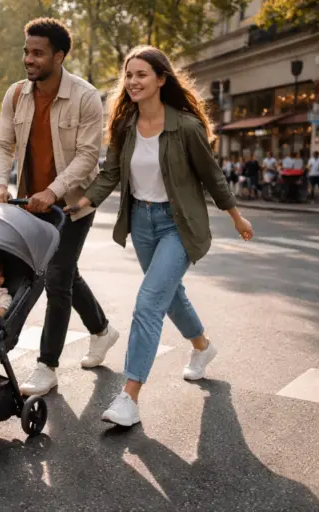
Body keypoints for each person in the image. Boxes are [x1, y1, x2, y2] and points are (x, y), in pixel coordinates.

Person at [68, 45, 254, 427]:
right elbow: (111, 174)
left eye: (141, 75)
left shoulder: (184, 126)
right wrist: (83, 202)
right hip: (142, 223)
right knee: (170, 295)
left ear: (161, 79)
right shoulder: (124, 125)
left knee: (149, 303)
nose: (133, 82)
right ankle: (202, 347)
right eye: (129, 75)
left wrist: (235, 215)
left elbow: (211, 174)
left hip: (178, 224)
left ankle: (129, 397)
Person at [0, 17, 119, 396]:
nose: (29, 59)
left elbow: (87, 155)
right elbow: (2, 144)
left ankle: (47, 365)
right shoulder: (16, 95)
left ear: (59, 56)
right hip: (30, 205)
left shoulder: (85, 97)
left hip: (72, 205)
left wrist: (53, 191)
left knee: (57, 277)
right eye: (26, 51)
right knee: (65, 273)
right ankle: (101, 329)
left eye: (38, 53)